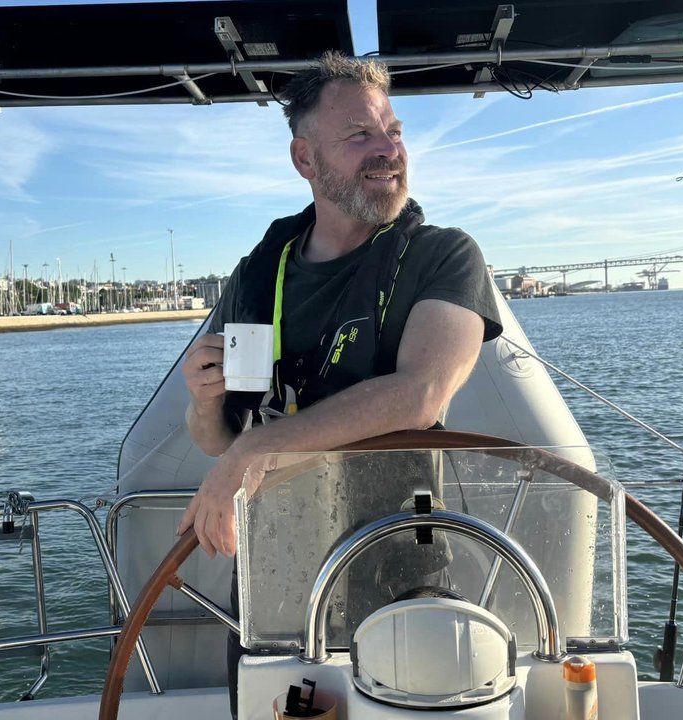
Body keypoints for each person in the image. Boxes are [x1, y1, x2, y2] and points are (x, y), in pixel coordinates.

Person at [179, 49, 504, 719]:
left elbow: (421, 393)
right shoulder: (259, 271)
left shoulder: (444, 255)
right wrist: (206, 402)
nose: (388, 150)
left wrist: (254, 451)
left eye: (394, 132)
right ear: (305, 159)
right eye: (360, 135)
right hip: (272, 579)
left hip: (400, 578)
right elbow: (218, 439)